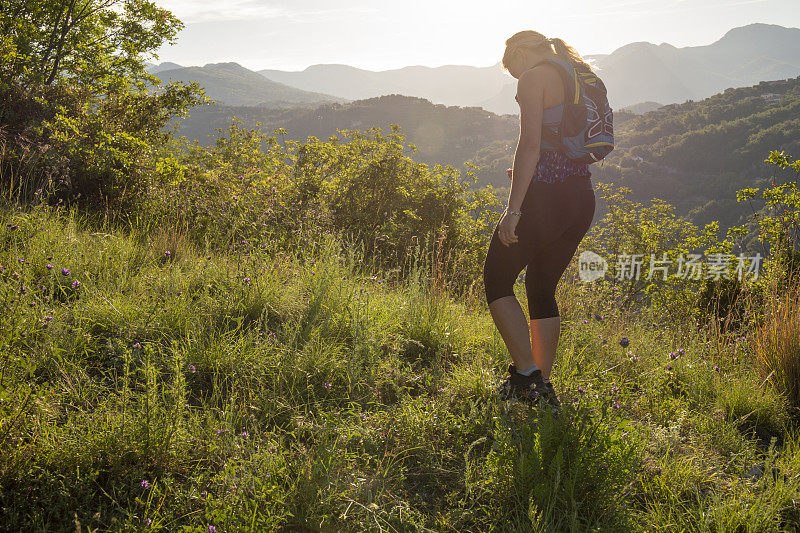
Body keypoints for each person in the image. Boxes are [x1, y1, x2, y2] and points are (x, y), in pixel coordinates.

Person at [483, 31, 597, 409]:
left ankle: (526, 375)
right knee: (541, 286)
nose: (516, 78)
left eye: (511, 69)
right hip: (580, 198)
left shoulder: (535, 77)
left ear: (517, 53)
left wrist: (513, 211)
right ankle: (540, 387)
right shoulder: (579, 74)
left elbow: (530, 143)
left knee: (497, 278)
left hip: (545, 198)